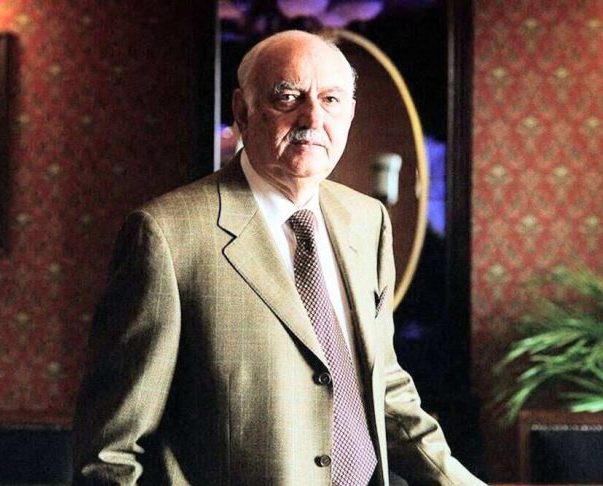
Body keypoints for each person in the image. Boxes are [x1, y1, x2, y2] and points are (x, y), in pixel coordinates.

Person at [73, 30, 485, 486]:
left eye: (331, 100)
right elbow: (111, 451)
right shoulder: (167, 235)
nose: (312, 117)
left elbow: (384, 388)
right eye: (288, 97)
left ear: (349, 114)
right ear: (242, 111)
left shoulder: (368, 222)